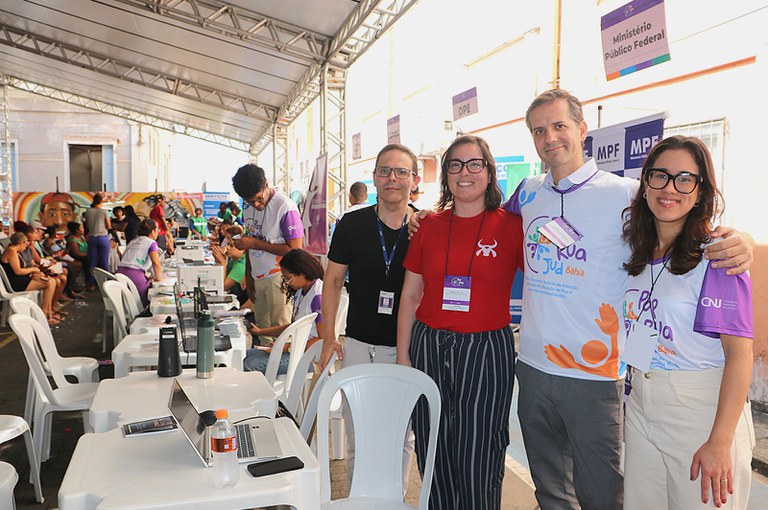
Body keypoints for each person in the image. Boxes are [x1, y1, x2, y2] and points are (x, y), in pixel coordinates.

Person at [502, 89, 754, 509]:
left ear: (582, 130)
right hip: (533, 368)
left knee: (603, 494)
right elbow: (479, 211)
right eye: (539, 130)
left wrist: (741, 239)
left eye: (560, 126)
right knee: (551, 492)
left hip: (597, 376)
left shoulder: (630, 194)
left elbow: (686, 213)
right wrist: (422, 217)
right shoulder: (527, 193)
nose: (550, 138)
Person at [621, 136, 754, 509]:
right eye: (660, 176)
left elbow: (740, 358)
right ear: (645, 182)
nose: (670, 188)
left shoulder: (719, 257)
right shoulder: (638, 252)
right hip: (642, 406)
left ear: (700, 191)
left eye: (685, 179)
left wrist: (720, 440)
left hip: (701, 413)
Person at [396, 135, 523, 509]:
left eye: (474, 164)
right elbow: (410, 295)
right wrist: (404, 356)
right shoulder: (427, 226)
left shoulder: (513, 226)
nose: (464, 173)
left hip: (487, 350)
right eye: (455, 165)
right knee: (433, 444)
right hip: (429, 347)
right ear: (446, 175)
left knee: (480, 450)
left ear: (489, 172)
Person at [320, 143, 421, 492]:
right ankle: (359, 498)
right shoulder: (352, 224)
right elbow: (332, 281)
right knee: (356, 432)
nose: (392, 178)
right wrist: (328, 336)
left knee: (403, 433)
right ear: (374, 179)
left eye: (401, 172)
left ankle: (394, 497)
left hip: (408, 347)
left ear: (415, 180)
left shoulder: (426, 227)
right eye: (384, 171)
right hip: (360, 344)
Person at [231, 164, 303, 345]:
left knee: (281, 331)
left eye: (258, 199)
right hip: (257, 276)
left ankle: (282, 371)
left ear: (266, 184)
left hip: (279, 277)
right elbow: (249, 245)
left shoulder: (284, 206)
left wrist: (255, 243)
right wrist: (249, 274)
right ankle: (265, 371)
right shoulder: (247, 209)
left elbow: (295, 250)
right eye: (249, 202)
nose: (256, 205)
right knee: (262, 331)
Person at [243, 248, 324, 373]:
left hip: (310, 357)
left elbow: (322, 339)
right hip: (298, 350)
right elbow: (294, 327)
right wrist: (260, 332)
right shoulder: (301, 292)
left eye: (288, 278)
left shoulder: (317, 296)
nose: (287, 282)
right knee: (244, 356)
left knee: (249, 366)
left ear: (302, 273)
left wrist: (287, 347)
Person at [0, 232, 59, 323]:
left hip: (20, 279)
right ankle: (44, 315)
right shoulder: (11, 252)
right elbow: (18, 271)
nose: (26, 245)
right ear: (21, 242)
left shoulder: (14, 252)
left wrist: (32, 273)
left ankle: (48, 313)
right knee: (49, 283)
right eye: (26, 243)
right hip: (16, 284)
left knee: (51, 281)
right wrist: (33, 270)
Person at [116, 218, 162, 307]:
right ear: (153, 231)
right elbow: (156, 262)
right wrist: (159, 279)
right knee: (147, 301)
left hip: (119, 273)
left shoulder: (133, 241)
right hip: (134, 276)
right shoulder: (152, 243)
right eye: (157, 230)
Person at [82, 193, 111, 290]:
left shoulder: (88, 211)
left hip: (92, 238)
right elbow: (108, 226)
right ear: (101, 201)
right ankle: (105, 285)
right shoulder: (104, 211)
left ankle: (91, 284)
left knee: (92, 262)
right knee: (104, 262)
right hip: (103, 237)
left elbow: (86, 225)